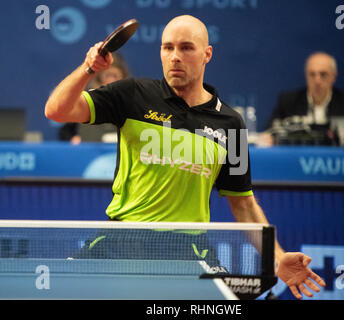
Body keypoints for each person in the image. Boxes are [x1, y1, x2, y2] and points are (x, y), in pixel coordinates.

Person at [45, 15, 325, 299]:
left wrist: (277, 259)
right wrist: (88, 68)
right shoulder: (132, 95)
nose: (175, 57)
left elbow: (243, 204)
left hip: (187, 248)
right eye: (168, 48)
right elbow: (56, 111)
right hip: (122, 240)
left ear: (207, 54)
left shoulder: (230, 124)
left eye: (186, 48)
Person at [259, 52, 344, 146]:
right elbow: (269, 132)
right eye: (312, 74)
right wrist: (269, 138)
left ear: (334, 76)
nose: (317, 81)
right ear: (306, 76)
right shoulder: (288, 100)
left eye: (323, 74)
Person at [58, 52, 130, 144]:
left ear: (122, 76)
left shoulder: (132, 100)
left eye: (114, 76)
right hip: (90, 154)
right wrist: (73, 139)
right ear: (100, 77)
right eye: (108, 75)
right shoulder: (88, 100)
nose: (111, 80)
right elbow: (65, 131)